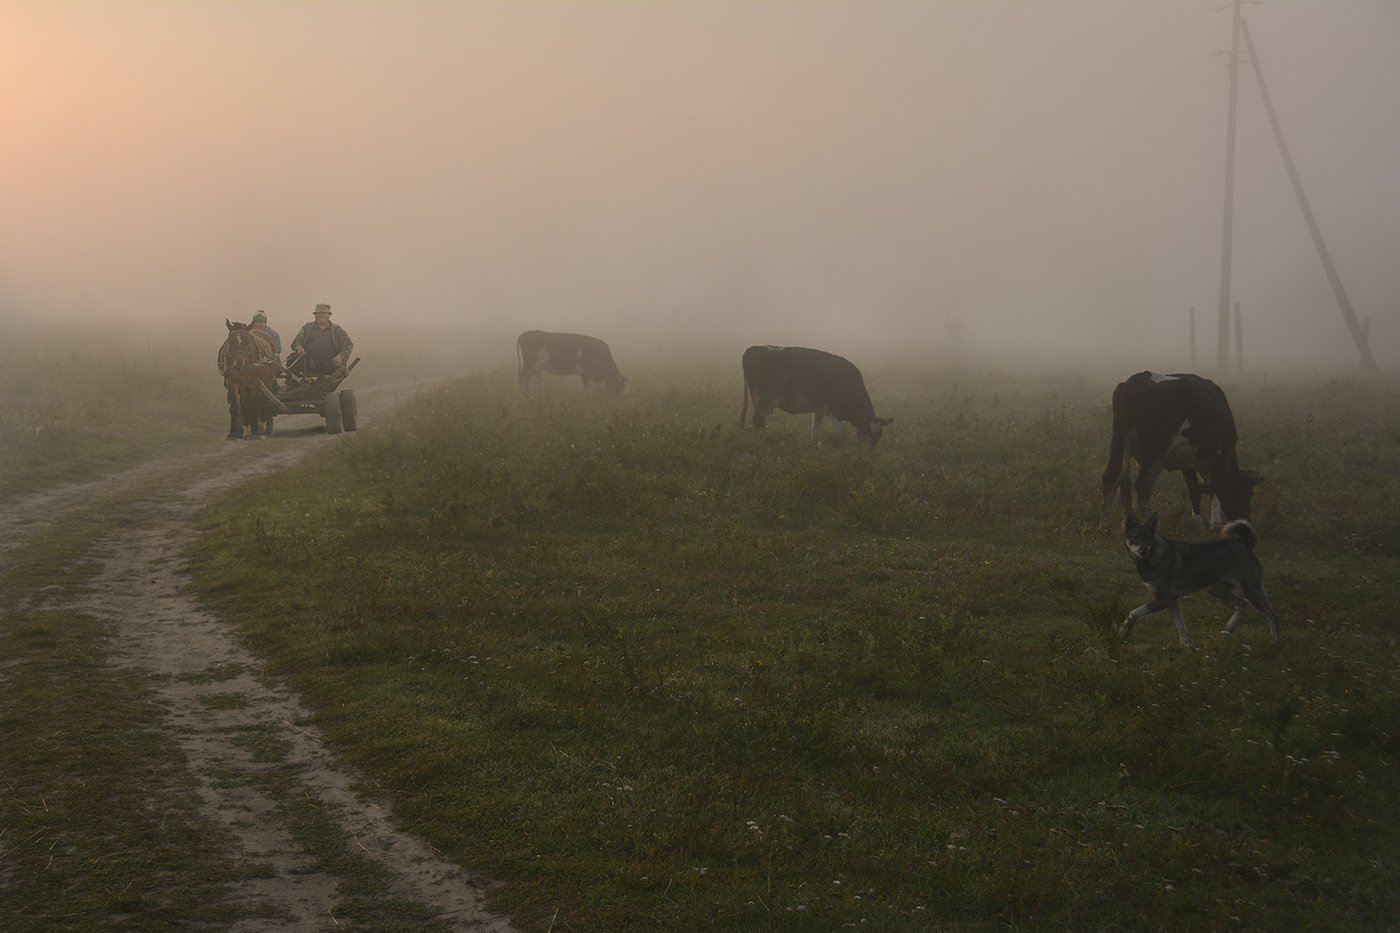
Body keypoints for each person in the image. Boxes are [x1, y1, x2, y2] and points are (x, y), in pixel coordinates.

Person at [288, 302, 353, 377]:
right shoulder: (307, 328)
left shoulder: (337, 330)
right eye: (318, 313)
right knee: (291, 358)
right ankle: (292, 383)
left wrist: (340, 357)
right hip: (308, 362)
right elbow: (296, 342)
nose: (321, 315)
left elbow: (348, 344)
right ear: (315, 315)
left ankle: (318, 383)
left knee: (336, 367)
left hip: (329, 363)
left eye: (324, 313)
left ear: (329, 315)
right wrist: (298, 348)